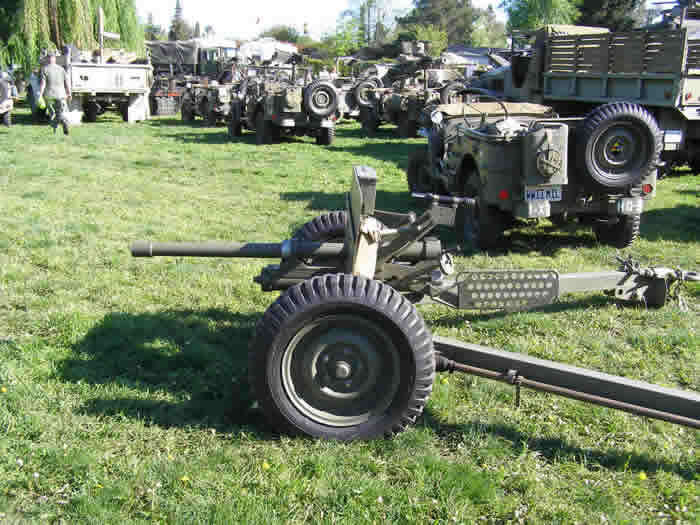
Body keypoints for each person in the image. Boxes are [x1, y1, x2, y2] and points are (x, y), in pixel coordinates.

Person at [39, 52, 71, 135]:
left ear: (47, 59)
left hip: (49, 95)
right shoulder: (61, 69)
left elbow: (43, 84)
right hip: (61, 94)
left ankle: (55, 129)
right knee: (60, 112)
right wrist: (69, 93)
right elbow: (66, 82)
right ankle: (63, 122)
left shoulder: (44, 69)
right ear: (55, 59)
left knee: (52, 113)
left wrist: (40, 94)